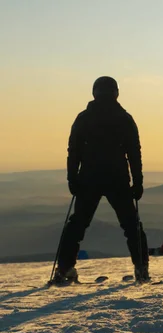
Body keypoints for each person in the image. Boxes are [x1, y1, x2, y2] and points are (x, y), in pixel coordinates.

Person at [52, 76, 149, 284]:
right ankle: (141, 268)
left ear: (94, 92)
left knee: (77, 224)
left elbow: (74, 151)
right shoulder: (125, 118)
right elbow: (134, 152)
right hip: (118, 177)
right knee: (131, 225)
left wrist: (72, 178)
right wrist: (138, 182)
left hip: (89, 177)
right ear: (116, 93)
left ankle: (65, 268)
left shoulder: (84, 118)